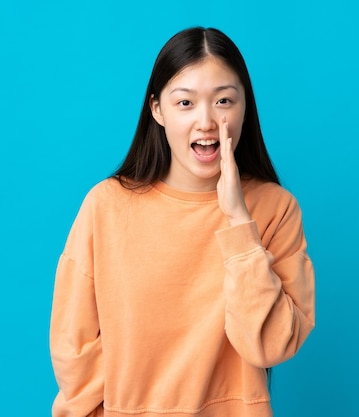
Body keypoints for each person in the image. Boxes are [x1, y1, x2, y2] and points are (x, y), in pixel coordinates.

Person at [50, 27, 315, 417]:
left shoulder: (275, 209)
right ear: (157, 109)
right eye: (185, 102)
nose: (207, 121)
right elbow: (75, 348)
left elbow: (271, 345)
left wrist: (239, 221)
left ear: (245, 107)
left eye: (224, 100)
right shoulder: (105, 206)